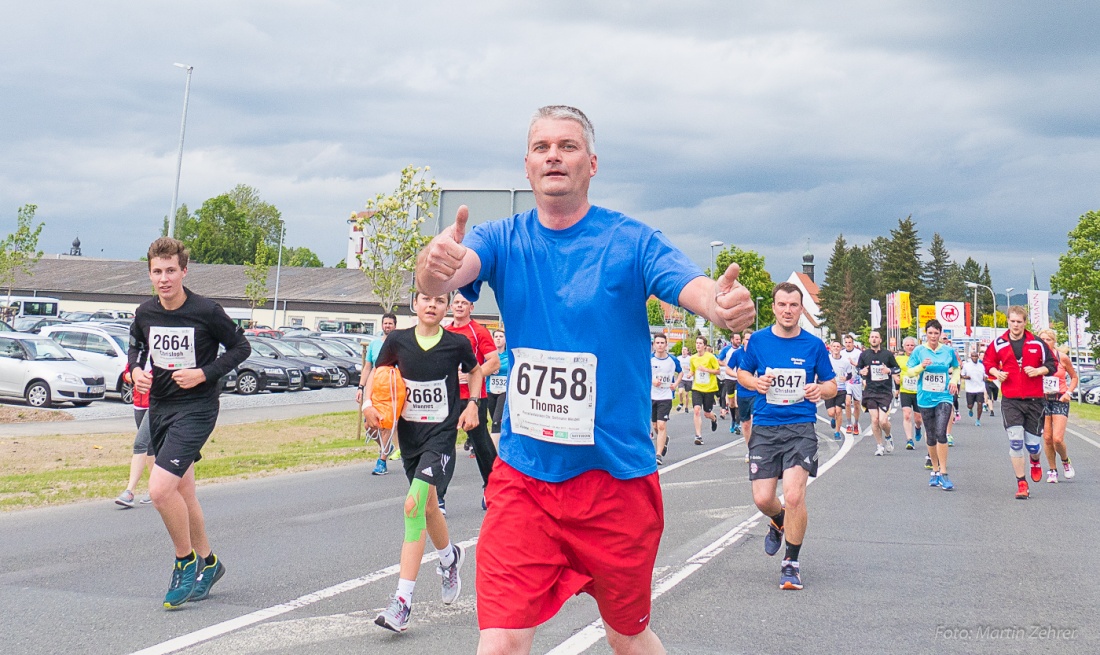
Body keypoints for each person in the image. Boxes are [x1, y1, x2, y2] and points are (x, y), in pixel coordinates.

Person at [415, 105, 754, 654]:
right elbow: (449, 270)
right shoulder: (501, 238)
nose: (554, 155)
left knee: (627, 635)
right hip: (526, 480)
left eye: (568, 146)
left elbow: (693, 286)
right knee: (500, 641)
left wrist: (718, 306)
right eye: (542, 146)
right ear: (526, 166)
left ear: (591, 163)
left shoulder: (632, 241)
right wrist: (432, 266)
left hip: (615, 483)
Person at [128, 237, 251, 609]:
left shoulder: (207, 311)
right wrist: (134, 371)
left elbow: (241, 348)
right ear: (150, 274)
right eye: (156, 272)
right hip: (161, 408)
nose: (164, 279)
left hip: (197, 409)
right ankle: (209, 563)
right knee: (184, 494)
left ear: (184, 271)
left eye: (170, 271)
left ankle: (184, 561)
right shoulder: (146, 313)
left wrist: (204, 373)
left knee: (161, 491)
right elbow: (136, 344)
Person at [364, 290, 482, 632]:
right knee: (428, 508)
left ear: (446, 308)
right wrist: (368, 405)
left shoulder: (456, 344)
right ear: (414, 304)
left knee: (413, 505)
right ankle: (450, 558)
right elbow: (378, 373)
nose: (432, 305)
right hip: (410, 438)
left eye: (439, 301)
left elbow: (474, 371)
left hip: (441, 437)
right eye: (425, 299)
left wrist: (473, 403)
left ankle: (402, 602)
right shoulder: (397, 340)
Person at [738, 282, 836, 590]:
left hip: (800, 427)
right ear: (774, 308)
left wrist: (820, 389)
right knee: (763, 498)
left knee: (794, 495)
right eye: (782, 305)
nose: (788, 310)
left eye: (794, 305)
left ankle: (791, 563)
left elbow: (832, 384)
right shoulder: (758, 341)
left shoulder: (814, 345)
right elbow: (742, 373)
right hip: (766, 427)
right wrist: (757, 383)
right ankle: (778, 519)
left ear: (801, 309)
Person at [982, 307, 1058, 500]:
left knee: (1033, 445)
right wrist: (995, 373)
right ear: (1007, 321)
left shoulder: (1037, 343)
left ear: (1025, 322)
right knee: (1015, 441)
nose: (1015, 325)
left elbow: (1052, 365)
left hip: (1035, 400)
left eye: (1019, 321)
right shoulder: (998, 343)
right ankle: (1021, 483)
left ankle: (1035, 460)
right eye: (1012, 321)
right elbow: (988, 363)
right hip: (1011, 399)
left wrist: (1039, 370)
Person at [444, 294, 501, 512]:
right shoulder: (445, 332)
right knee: (443, 443)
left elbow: (494, 362)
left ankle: (493, 487)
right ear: (451, 306)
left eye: (464, 303)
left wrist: (472, 375)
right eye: (456, 303)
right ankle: (439, 496)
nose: (459, 306)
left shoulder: (479, 332)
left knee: (481, 444)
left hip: (475, 397)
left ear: (471, 307)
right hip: (450, 396)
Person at [907, 320, 960, 490]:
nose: (933, 337)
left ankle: (944, 473)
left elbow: (957, 368)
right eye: (930, 333)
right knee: (930, 435)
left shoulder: (948, 351)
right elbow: (909, 371)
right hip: (925, 397)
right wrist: (921, 367)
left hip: (944, 396)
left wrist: (953, 380)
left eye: (936, 333)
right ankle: (935, 471)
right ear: (926, 334)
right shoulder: (919, 351)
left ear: (940, 334)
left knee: (941, 433)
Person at [358, 312, 399, 475]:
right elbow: (368, 367)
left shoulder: (399, 344)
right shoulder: (374, 345)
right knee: (369, 425)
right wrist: (361, 387)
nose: (387, 326)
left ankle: (381, 461)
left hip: (392, 389)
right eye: (385, 323)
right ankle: (386, 447)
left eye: (390, 323)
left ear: (395, 325)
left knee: (385, 424)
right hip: (375, 388)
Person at [1037, 328, 1077, 483]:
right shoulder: (1036, 358)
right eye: (1043, 339)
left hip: (1060, 398)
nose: (1046, 342)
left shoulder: (1062, 358)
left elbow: (1074, 377)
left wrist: (1069, 393)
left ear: (1054, 342)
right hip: (1043, 399)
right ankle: (1052, 470)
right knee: (1047, 438)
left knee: (1057, 439)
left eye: (1049, 339)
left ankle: (1065, 461)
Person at [115, 363, 154, 508]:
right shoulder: (139, 356)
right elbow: (126, 374)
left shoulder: (160, 352)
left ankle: (129, 491)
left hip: (155, 404)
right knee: (150, 447)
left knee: (140, 443)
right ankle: (155, 488)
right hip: (139, 404)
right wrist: (134, 377)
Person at [857, 331, 900, 456]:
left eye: (876, 337)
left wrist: (889, 370)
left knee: (883, 421)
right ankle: (879, 446)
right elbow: (858, 369)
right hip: (870, 391)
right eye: (872, 337)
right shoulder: (864, 355)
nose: (874, 339)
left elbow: (897, 369)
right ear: (869, 340)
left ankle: (888, 436)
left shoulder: (887, 355)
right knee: (874, 420)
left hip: (884, 392)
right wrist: (862, 371)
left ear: (880, 340)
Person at [651, 334, 682, 465]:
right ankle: (664, 439)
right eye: (657, 343)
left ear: (666, 344)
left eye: (662, 343)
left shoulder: (672, 360)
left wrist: (676, 384)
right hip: (652, 396)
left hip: (666, 396)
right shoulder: (649, 359)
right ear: (653, 345)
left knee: (662, 425)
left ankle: (658, 454)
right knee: (655, 426)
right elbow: (642, 372)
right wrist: (652, 380)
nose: (660, 345)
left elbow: (680, 372)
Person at [726, 329, 757, 460]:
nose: (749, 342)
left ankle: (758, 448)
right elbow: (728, 368)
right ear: (743, 340)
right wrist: (738, 375)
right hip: (743, 392)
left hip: (756, 391)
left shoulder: (758, 353)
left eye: (751, 339)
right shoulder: (737, 354)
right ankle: (750, 449)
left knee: (756, 420)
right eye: (747, 339)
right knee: (745, 423)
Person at [690, 336, 722, 445]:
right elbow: (693, 370)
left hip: (709, 389)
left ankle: (713, 418)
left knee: (707, 413)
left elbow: (718, 371)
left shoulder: (710, 357)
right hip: (697, 388)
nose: (698, 345)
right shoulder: (693, 358)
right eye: (697, 343)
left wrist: (706, 370)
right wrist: (690, 374)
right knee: (697, 410)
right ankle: (698, 436)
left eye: (700, 343)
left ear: (704, 345)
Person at [896, 336, 924, 451]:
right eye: (907, 345)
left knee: (918, 418)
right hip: (905, 390)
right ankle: (909, 440)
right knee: (907, 414)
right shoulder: (899, 359)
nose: (910, 347)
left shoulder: (920, 359)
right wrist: (895, 377)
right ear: (904, 347)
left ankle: (918, 428)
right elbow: (892, 369)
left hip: (918, 391)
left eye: (912, 345)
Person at [485, 328, 510, 450]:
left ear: (505, 340)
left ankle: (494, 451)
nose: (498, 339)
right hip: (490, 390)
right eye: (496, 337)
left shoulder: (509, 356)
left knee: (496, 421)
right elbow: (480, 369)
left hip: (504, 391)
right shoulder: (489, 356)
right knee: (493, 420)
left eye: (501, 336)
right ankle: (501, 443)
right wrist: (490, 369)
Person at [824, 341, 851, 441]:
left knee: (838, 411)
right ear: (831, 348)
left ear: (841, 348)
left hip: (841, 389)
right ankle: (833, 418)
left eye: (838, 346)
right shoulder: (826, 360)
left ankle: (837, 432)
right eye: (834, 346)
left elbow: (850, 374)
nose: (836, 348)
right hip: (829, 388)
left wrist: (846, 378)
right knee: (831, 412)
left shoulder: (845, 362)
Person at [718, 333, 742, 430]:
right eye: (736, 339)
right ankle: (733, 419)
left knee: (737, 400)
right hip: (729, 378)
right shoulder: (726, 350)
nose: (739, 341)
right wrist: (727, 365)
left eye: (739, 339)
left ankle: (737, 423)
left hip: (739, 379)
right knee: (731, 403)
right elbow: (719, 360)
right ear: (732, 340)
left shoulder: (742, 349)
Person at [960, 349, 989, 426]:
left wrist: (985, 378)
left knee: (980, 404)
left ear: (978, 357)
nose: (975, 358)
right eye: (973, 356)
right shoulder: (967, 365)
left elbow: (985, 375)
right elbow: (962, 375)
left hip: (980, 388)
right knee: (970, 405)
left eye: (976, 356)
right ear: (971, 357)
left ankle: (978, 419)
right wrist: (966, 377)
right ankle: (970, 409)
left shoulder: (981, 366)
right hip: (970, 389)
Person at [842, 334, 863, 434]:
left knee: (857, 404)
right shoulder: (842, 353)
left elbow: (862, 366)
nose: (848, 344)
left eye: (849, 342)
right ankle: (849, 424)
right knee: (847, 402)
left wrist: (856, 365)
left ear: (853, 343)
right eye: (846, 342)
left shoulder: (858, 353)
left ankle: (856, 424)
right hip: (846, 381)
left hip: (856, 380)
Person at [676, 342, 694, 412]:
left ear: (687, 351)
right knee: (680, 392)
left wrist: (688, 368)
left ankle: (686, 407)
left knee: (686, 394)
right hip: (681, 377)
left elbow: (693, 368)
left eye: (685, 350)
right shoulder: (678, 358)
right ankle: (681, 403)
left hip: (689, 378)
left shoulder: (690, 358)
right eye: (682, 350)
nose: (683, 351)